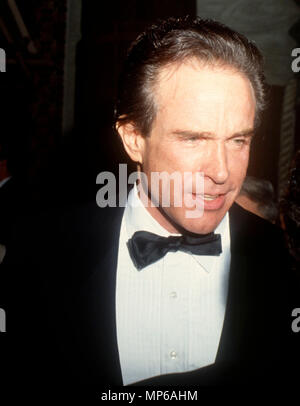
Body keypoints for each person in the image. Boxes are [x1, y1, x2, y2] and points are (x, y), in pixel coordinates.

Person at [1, 16, 299, 392]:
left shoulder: (285, 260)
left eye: (238, 140)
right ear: (133, 138)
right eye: (193, 139)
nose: (222, 172)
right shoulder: (42, 251)